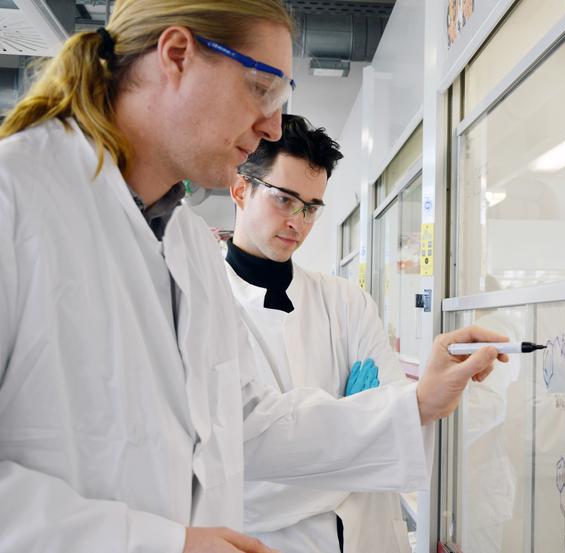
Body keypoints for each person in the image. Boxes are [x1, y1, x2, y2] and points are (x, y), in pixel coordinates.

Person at [0, 2, 507, 552]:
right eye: (261, 90)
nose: (270, 124)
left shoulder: (187, 244)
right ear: (176, 56)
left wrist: (418, 404)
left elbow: (245, 424)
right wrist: (160, 543)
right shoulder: (16, 201)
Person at [225, 115, 412, 553]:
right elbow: (239, 487)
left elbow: (391, 443)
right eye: (284, 200)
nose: (299, 220)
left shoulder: (348, 303)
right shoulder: (206, 305)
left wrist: (334, 448)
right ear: (240, 190)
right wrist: (356, 436)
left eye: (311, 207)